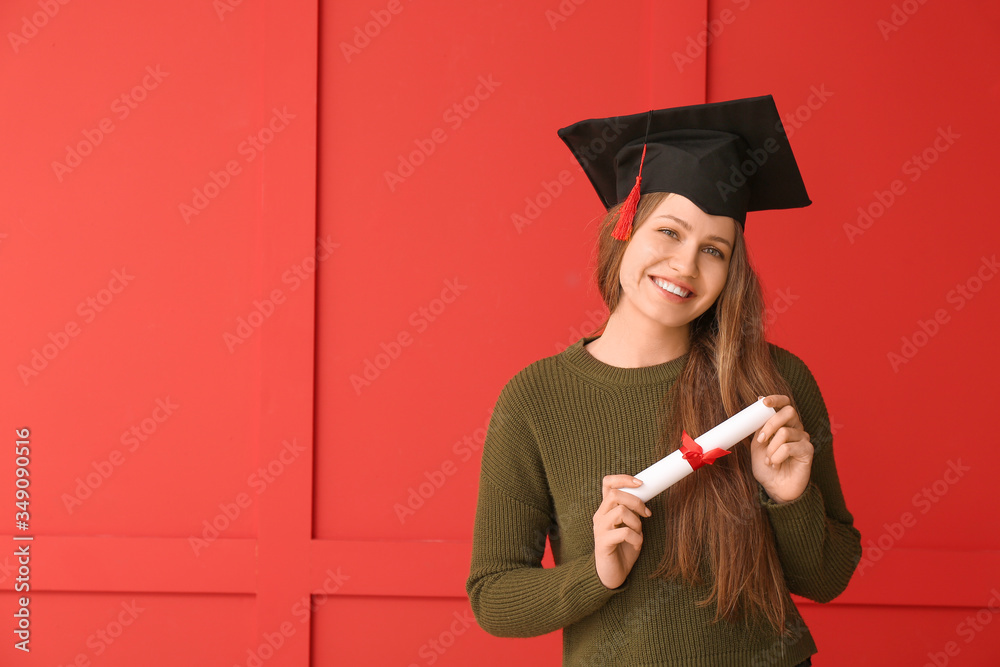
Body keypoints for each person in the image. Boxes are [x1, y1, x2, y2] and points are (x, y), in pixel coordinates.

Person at [465, 96, 862, 666]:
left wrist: (789, 498)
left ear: (732, 271)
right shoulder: (534, 400)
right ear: (624, 227)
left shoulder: (773, 382)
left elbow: (828, 579)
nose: (685, 266)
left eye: (713, 250)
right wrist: (598, 574)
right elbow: (495, 596)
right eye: (670, 232)